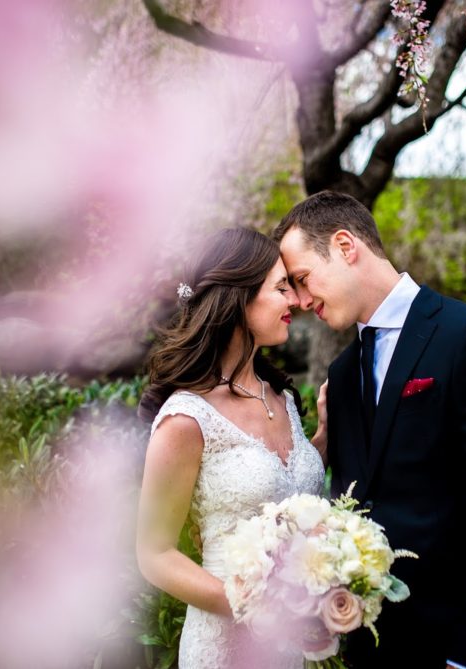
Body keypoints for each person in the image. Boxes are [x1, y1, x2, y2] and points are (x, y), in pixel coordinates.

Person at [274, 191, 466, 669]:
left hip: (458, 645)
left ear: (344, 245)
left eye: (301, 279)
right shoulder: (340, 374)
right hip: (371, 648)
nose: (299, 300)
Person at [135, 228, 327, 669]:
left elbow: (289, 490)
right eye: (281, 288)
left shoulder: (281, 397)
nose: (295, 302)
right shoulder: (187, 417)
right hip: (224, 646)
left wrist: (325, 438)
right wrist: (250, 606)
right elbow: (154, 554)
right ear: (238, 301)